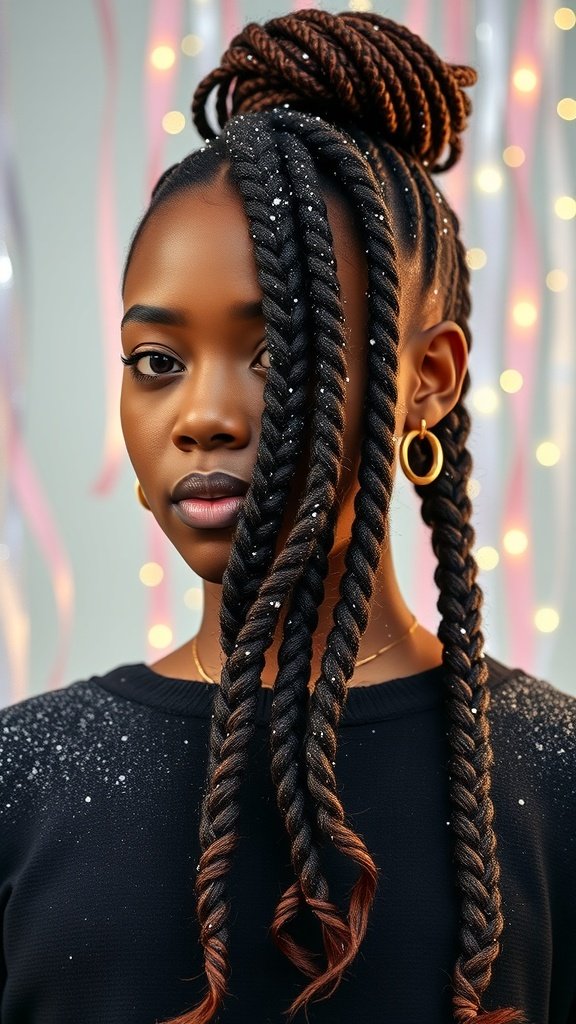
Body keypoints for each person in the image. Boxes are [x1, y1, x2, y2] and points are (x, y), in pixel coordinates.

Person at [0, 9, 574, 1024]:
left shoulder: (554, 776)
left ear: (428, 381)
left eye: (281, 353)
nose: (206, 415)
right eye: (157, 364)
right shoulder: (20, 783)